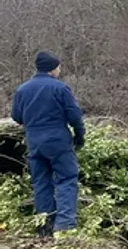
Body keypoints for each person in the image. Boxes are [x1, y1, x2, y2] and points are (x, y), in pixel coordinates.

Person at [10, 51, 86, 238]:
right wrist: (79, 136)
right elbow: (74, 116)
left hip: (34, 142)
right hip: (58, 141)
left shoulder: (22, 90)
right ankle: (65, 224)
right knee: (66, 179)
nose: (60, 70)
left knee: (41, 182)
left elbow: (16, 116)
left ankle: (45, 224)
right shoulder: (60, 88)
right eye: (59, 67)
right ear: (52, 68)